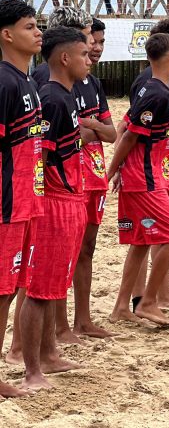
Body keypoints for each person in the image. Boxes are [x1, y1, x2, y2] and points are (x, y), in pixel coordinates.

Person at [21, 26, 90, 391]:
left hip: (71, 197)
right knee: (39, 288)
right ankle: (32, 369)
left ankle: (48, 353)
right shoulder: (51, 97)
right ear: (64, 58)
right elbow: (40, 157)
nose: (89, 59)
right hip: (54, 201)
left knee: (54, 285)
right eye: (83, 53)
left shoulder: (65, 95)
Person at [107, 32, 169, 329]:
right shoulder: (157, 93)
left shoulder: (150, 85)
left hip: (142, 173)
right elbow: (128, 134)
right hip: (146, 178)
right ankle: (149, 301)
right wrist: (114, 170)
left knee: (140, 241)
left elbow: (126, 121)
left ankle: (120, 308)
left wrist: (120, 168)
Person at [124, 17, 169, 312]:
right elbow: (130, 132)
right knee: (151, 233)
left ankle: (159, 294)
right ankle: (144, 297)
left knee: (154, 234)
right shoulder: (148, 83)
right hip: (149, 171)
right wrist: (117, 168)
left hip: (167, 166)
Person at [57, 19, 116, 342]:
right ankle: (60, 325)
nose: (95, 46)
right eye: (88, 40)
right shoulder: (52, 83)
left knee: (87, 249)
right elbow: (65, 134)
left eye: (98, 41)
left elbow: (110, 133)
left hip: (94, 176)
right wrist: (90, 130)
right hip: (66, 177)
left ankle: (83, 320)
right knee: (63, 251)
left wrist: (89, 125)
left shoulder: (91, 82)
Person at [0, 0, 43, 398]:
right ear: (7, 34)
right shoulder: (5, 81)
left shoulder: (27, 80)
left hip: (27, 200)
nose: (38, 32)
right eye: (30, 26)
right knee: (0, 291)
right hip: (6, 204)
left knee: (11, 289)